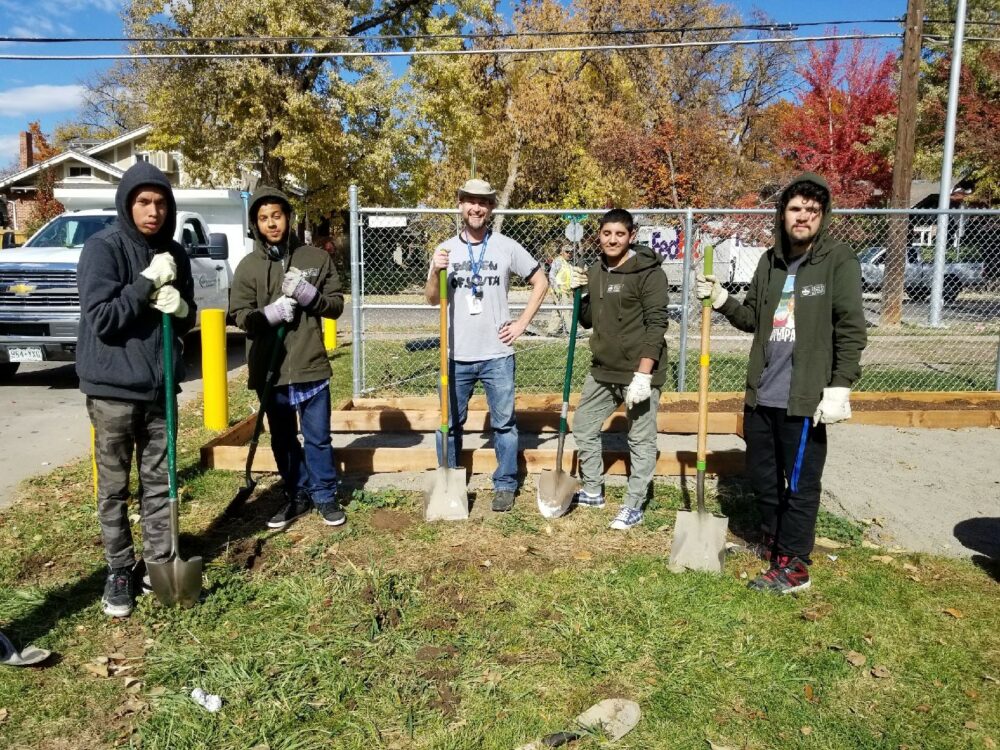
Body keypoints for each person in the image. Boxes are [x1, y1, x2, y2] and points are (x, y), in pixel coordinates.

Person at [696, 172, 867, 594]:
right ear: (783, 214)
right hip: (763, 392)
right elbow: (754, 318)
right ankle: (777, 543)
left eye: (812, 209)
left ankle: (796, 565)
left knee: (800, 482)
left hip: (805, 397)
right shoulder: (770, 262)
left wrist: (840, 385)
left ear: (822, 216)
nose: (803, 216)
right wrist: (722, 300)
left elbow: (850, 326)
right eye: (796, 208)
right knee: (763, 476)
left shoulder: (837, 260)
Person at [76, 161, 197, 618]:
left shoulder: (175, 253)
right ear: (127, 204)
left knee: (160, 480)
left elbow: (186, 316)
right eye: (144, 202)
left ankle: (161, 561)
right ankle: (120, 569)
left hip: (160, 387)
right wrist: (146, 283)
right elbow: (103, 318)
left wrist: (181, 305)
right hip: (111, 390)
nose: (154, 211)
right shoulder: (102, 248)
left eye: (162, 202)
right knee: (113, 487)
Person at [425, 178, 549, 512]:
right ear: (460, 204)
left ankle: (506, 483)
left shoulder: (507, 247)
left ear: (491, 208)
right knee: (448, 424)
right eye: (470, 201)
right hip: (455, 355)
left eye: (483, 202)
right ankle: (449, 478)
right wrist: (436, 271)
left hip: (497, 354)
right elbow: (431, 299)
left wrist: (522, 324)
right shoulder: (445, 250)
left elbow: (541, 281)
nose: (476, 207)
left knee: (504, 424)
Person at [229, 187, 346, 530]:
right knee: (282, 438)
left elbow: (335, 305)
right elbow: (240, 316)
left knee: (318, 437)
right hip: (272, 368)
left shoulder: (314, 258)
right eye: (263, 218)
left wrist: (310, 296)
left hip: (309, 363)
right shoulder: (248, 267)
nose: (271, 223)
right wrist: (270, 315)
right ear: (256, 224)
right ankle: (297, 493)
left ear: (288, 217)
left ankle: (325, 495)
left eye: (276, 216)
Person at [567, 209, 670, 529]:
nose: (612, 240)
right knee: (583, 425)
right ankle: (594, 490)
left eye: (619, 234)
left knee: (640, 439)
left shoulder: (649, 273)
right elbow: (587, 320)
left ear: (631, 236)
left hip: (639, 371)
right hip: (603, 368)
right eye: (607, 233)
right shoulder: (595, 270)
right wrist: (578, 293)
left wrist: (644, 374)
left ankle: (634, 503)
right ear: (599, 235)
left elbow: (657, 325)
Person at [547, 243, 574, 334]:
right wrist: (556, 288)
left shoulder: (568, 264)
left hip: (565, 291)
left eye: (571, 252)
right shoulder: (559, 261)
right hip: (559, 290)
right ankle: (572, 331)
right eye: (567, 252)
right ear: (562, 252)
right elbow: (552, 275)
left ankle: (551, 330)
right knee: (566, 310)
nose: (569, 254)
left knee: (557, 311)